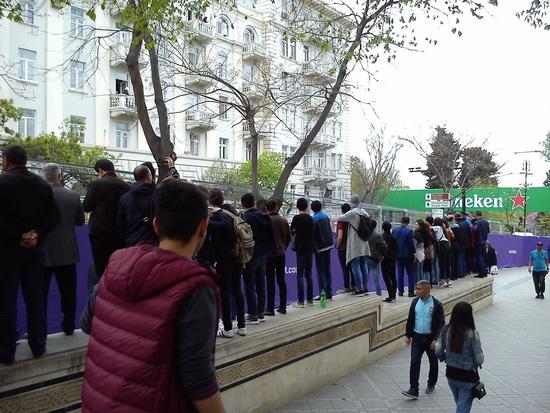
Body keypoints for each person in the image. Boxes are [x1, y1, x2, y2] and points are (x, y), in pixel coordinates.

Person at [80, 180, 225, 413]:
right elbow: (198, 377)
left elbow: (87, 323)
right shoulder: (196, 286)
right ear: (203, 227)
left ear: (156, 225)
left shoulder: (116, 264)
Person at [0, 145, 60, 364]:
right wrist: (37, 235)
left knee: (6, 300)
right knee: (35, 298)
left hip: (7, 251)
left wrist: (17, 237)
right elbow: (54, 215)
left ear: (6, 160)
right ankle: (38, 345)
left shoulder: (2, 183)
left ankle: (6, 351)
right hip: (35, 250)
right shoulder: (42, 184)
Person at [41, 163, 85, 335]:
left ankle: (39, 328)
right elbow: (80, 221)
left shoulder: (38, 196)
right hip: (67, 251)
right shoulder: (73, 195)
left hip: (43, 252)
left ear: (43, 177)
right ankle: (68, 326)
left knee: (40, 293)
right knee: (68, 292)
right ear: (59, 176)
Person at [83, 159, 131, 280]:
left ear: (100, 171)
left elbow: (87, 207)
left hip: (99, 233)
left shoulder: (97, 184)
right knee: (117, 268)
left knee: (101, 268)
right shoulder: (125, 186)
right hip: (119, 233)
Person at [208, 189, 245, 338]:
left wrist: (208, 222)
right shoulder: (234, 212)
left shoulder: (217, 215)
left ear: (211, 201)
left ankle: (228, 328)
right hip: (237, 256)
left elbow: (217, 234)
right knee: (237, 289)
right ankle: (241, 326)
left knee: (224, 292)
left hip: (224, 258)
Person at [435, 302, 484, 413]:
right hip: (467, 377)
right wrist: (479, 363)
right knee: (462, 408)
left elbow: (437, 350)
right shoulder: (472, 334)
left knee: (460, 405)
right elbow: (479, 359)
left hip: (451, 374)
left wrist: (444, 358)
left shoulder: (445, 330)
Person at [402, 280, 445, 400]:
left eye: (419, 289)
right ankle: (413, 389)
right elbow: (410, 319)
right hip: (417, 338)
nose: (417, 291)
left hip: (431, 339)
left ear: (427, 289)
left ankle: (431, 383)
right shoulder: (415, 302)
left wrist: (436, 339)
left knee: (433, 362)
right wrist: (408, 335)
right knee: (414, 362)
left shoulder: (437, 304)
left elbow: (441, 322)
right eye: (416, 288)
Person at [241, 193, 276, 323]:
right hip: (263, 255)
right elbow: (271, 235)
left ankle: (253, 314)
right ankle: (260, 313)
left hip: (250, 255)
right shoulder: (264, 216)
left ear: (242, 204)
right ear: (254, 202)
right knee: (261, 284)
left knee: (250, 286)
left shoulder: (245, 218)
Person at [336, 195, 371, 296]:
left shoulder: (352, 213)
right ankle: (365, 287)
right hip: (364, 241)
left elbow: (339, 218)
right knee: (364, 264)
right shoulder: (364, 212)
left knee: (355, 264)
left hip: (355, 242)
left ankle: (358, 288)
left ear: (351, 203)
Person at [116, 164, 157, 246]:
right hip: (153, 242)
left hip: (132, 242)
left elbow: (120, 225)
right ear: (149, 177)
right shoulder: (158, 195)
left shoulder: (125, 198)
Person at [265, 199, 291, 315]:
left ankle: (270, 308)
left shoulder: (265, 220)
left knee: (270, 281)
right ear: (276, 207)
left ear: (266, 208)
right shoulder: (283, 220)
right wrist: (283, 248)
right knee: (281, 280)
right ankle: (283, 306)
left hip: (268, 254)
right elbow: (289, 238)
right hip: (281, 253)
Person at [290, 198, 315, 307]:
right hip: (310, 248)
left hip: (300, 248)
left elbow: (292, 230)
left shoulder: (296, 218)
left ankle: (300, 301)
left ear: (297, 207)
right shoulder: (310, 218)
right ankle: (310, 299)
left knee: (300, 274)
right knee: (308, 274)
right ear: (306, 206)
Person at [311, 200, 333, 300]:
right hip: (328, 245)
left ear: (312, 209)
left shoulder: (314, 219)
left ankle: (322, 294)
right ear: (320, 207)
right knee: (327, 270)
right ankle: (329, 293)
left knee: (320, 271)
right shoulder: (326, 216)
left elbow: (313, 235)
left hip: (320, 248)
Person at [393, 216, 416, 297]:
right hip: (407, 255)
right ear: (408, 222)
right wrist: (414, 253)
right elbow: (411, 244)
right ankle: (411, 291)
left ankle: (400, 291)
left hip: (398, 254)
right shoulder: (409, 231)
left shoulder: (395, 230)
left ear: (401, 221)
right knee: (410, 273)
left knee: (400, 273)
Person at [335, 203, 354, 293]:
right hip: (352, 246)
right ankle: (354, 285)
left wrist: (337, 245)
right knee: (352, 267)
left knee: (345, 268)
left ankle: (346, 286)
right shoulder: (352, 220)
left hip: (343, 247)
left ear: (342, 210)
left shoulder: (341, 221)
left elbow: (340, 236)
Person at [366, 219, 386, 296]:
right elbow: (384, 246)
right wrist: (382, 255)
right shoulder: (377, 236)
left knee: (365, 276)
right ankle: (378, 293)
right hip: (375, 258)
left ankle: (364, 291)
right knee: (376, 278)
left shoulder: (364, 235)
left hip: (366, 257)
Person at [381, 221, 398, 302]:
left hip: (385, 260)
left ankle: (390, 295)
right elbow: (396, 248)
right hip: (393, 259)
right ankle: (393, 295)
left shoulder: (382, 237)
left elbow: (382, 248)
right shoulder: (393, 237)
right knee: (393, 277)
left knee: (386, 278)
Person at [433, 217, 451, 287]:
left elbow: (428, 228)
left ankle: (442, 280)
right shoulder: (442, 228)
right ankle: (448, 280)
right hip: (447, 244)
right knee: (447, 263)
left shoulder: (437, 227)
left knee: (442, 263)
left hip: (442, 245)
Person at [472, 211, 490, 278]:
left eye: (474, 214)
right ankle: (485, 272)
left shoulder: (477, 223)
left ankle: (481, 273)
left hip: (478, 242)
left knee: (479, 257)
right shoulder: (486, 222)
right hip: (484, 242)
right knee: (482, 257)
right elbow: (488, 231)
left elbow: (474, 229)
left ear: (476, 215)